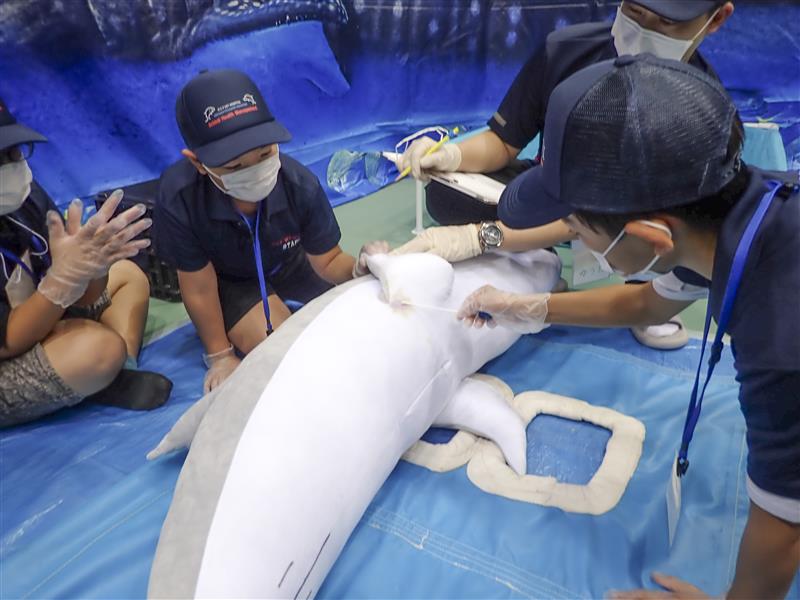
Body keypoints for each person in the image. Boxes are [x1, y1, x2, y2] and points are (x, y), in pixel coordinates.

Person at [457, 54, 799, 598]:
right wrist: (529, 306)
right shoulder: (732, 208)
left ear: (652, 236)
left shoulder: (782, 337)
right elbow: (642, 306)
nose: (569, 236)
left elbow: (783, 537)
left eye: (574, 227)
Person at [393, 0, 735, 351]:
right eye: (634, 11)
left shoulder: (700, 117)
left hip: (623, 219)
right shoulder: (566, 52)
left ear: (716, 18)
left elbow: (592, 228)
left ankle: (622, 270)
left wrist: (483, 238)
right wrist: (452, 155)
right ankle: (543, 255)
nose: (644, 31)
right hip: (564, 193)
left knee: (635, 262)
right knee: (448, 194)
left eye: (665, 21)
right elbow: (507, 144)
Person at [155, 69, 384, 394]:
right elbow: (199, 286)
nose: (254, 170)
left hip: (291, 262)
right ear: (197, 163)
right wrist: (220, 355)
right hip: (232, 282)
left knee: (364, 324)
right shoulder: (181, 198)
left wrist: (359, 268)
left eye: (264, 154)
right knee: (286, 353)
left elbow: (328, 260)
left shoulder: (298, 184)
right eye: (234, 167)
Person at [0, 98, 171, 427]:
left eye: (15, 152)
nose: (12, 166)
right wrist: (61, 283)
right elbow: (8, 343)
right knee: (97, 348)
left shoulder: (26, 197)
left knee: (128, 276)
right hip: (9, 343)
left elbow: (86, 297)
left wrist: (92, 268)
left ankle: (113, 373)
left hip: (36, 314)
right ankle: (97, 371)